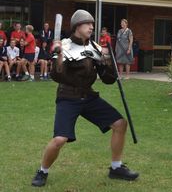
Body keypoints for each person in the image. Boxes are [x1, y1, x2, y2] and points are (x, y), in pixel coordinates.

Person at [31, 10, 138, 187]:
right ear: (76, 26)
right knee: (59, 140)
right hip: (68, 97)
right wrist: (59, 56)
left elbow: (108, 80)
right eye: (87, 24)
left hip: (88, 96)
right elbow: (57, 76)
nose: (91, 27)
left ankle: (116, 167)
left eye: (92, 24)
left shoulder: (94, 47)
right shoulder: (64, 45)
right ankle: (42, 171)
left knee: (120, 124)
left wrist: (108, 61)